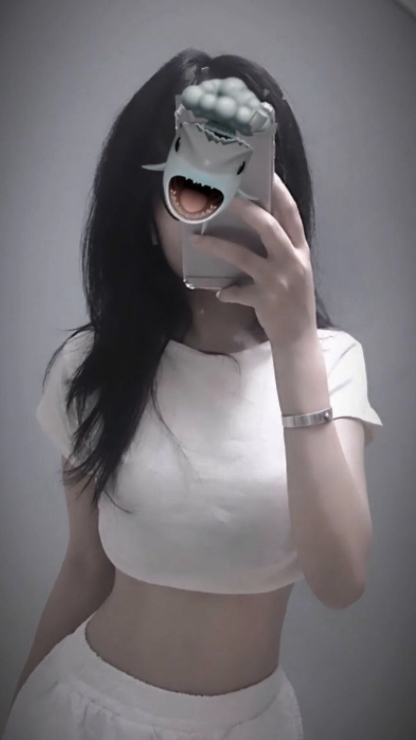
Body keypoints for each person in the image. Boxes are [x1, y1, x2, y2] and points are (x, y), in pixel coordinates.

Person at [3, 48, 383, 740]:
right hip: (82, 712)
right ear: (148, 213)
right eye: (192, 188)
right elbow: (84, 566)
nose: (217, 215)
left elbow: (341, 579)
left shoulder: (331, 362)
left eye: (244, 187)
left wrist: (294, 341)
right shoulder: (96, 366)